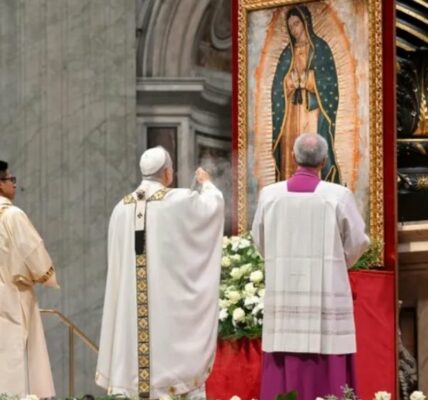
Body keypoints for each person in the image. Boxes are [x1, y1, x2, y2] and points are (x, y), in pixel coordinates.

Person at [96, 146, 225, 399]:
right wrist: (207, 184)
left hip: (131, 310)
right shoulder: (178, 200)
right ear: (167, 172)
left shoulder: (120, 209)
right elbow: (211, 208)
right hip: (166, 306)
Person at [251, 134, 369, 400]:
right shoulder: (338, 196)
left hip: (284, 290)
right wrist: (338, 263)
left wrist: (279, 260)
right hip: (326, 294)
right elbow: (358, 241)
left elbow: (260, 240)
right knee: (329, 355)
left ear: (293, 157)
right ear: (325, 161)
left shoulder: (270, 196)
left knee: (283, 351)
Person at [0, 160, 59, 398]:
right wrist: (46, 274)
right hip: (12, 293)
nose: (14, 184)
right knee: (15, 348)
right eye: (10, 179)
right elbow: (32, 253)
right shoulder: (12, 215)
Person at [272, 5, 341, 183]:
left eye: (296, 24)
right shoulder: (287, 53)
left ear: (305, 23)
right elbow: (277, 87)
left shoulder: (320, 49)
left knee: (311, 147)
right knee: (290, 150)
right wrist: (290, 82)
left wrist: (309, 80)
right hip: (291, 113)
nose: (294, 29)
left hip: (312, 112)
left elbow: (330, 83)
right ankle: (291, 184)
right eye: (290, 26)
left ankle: (313, 185)